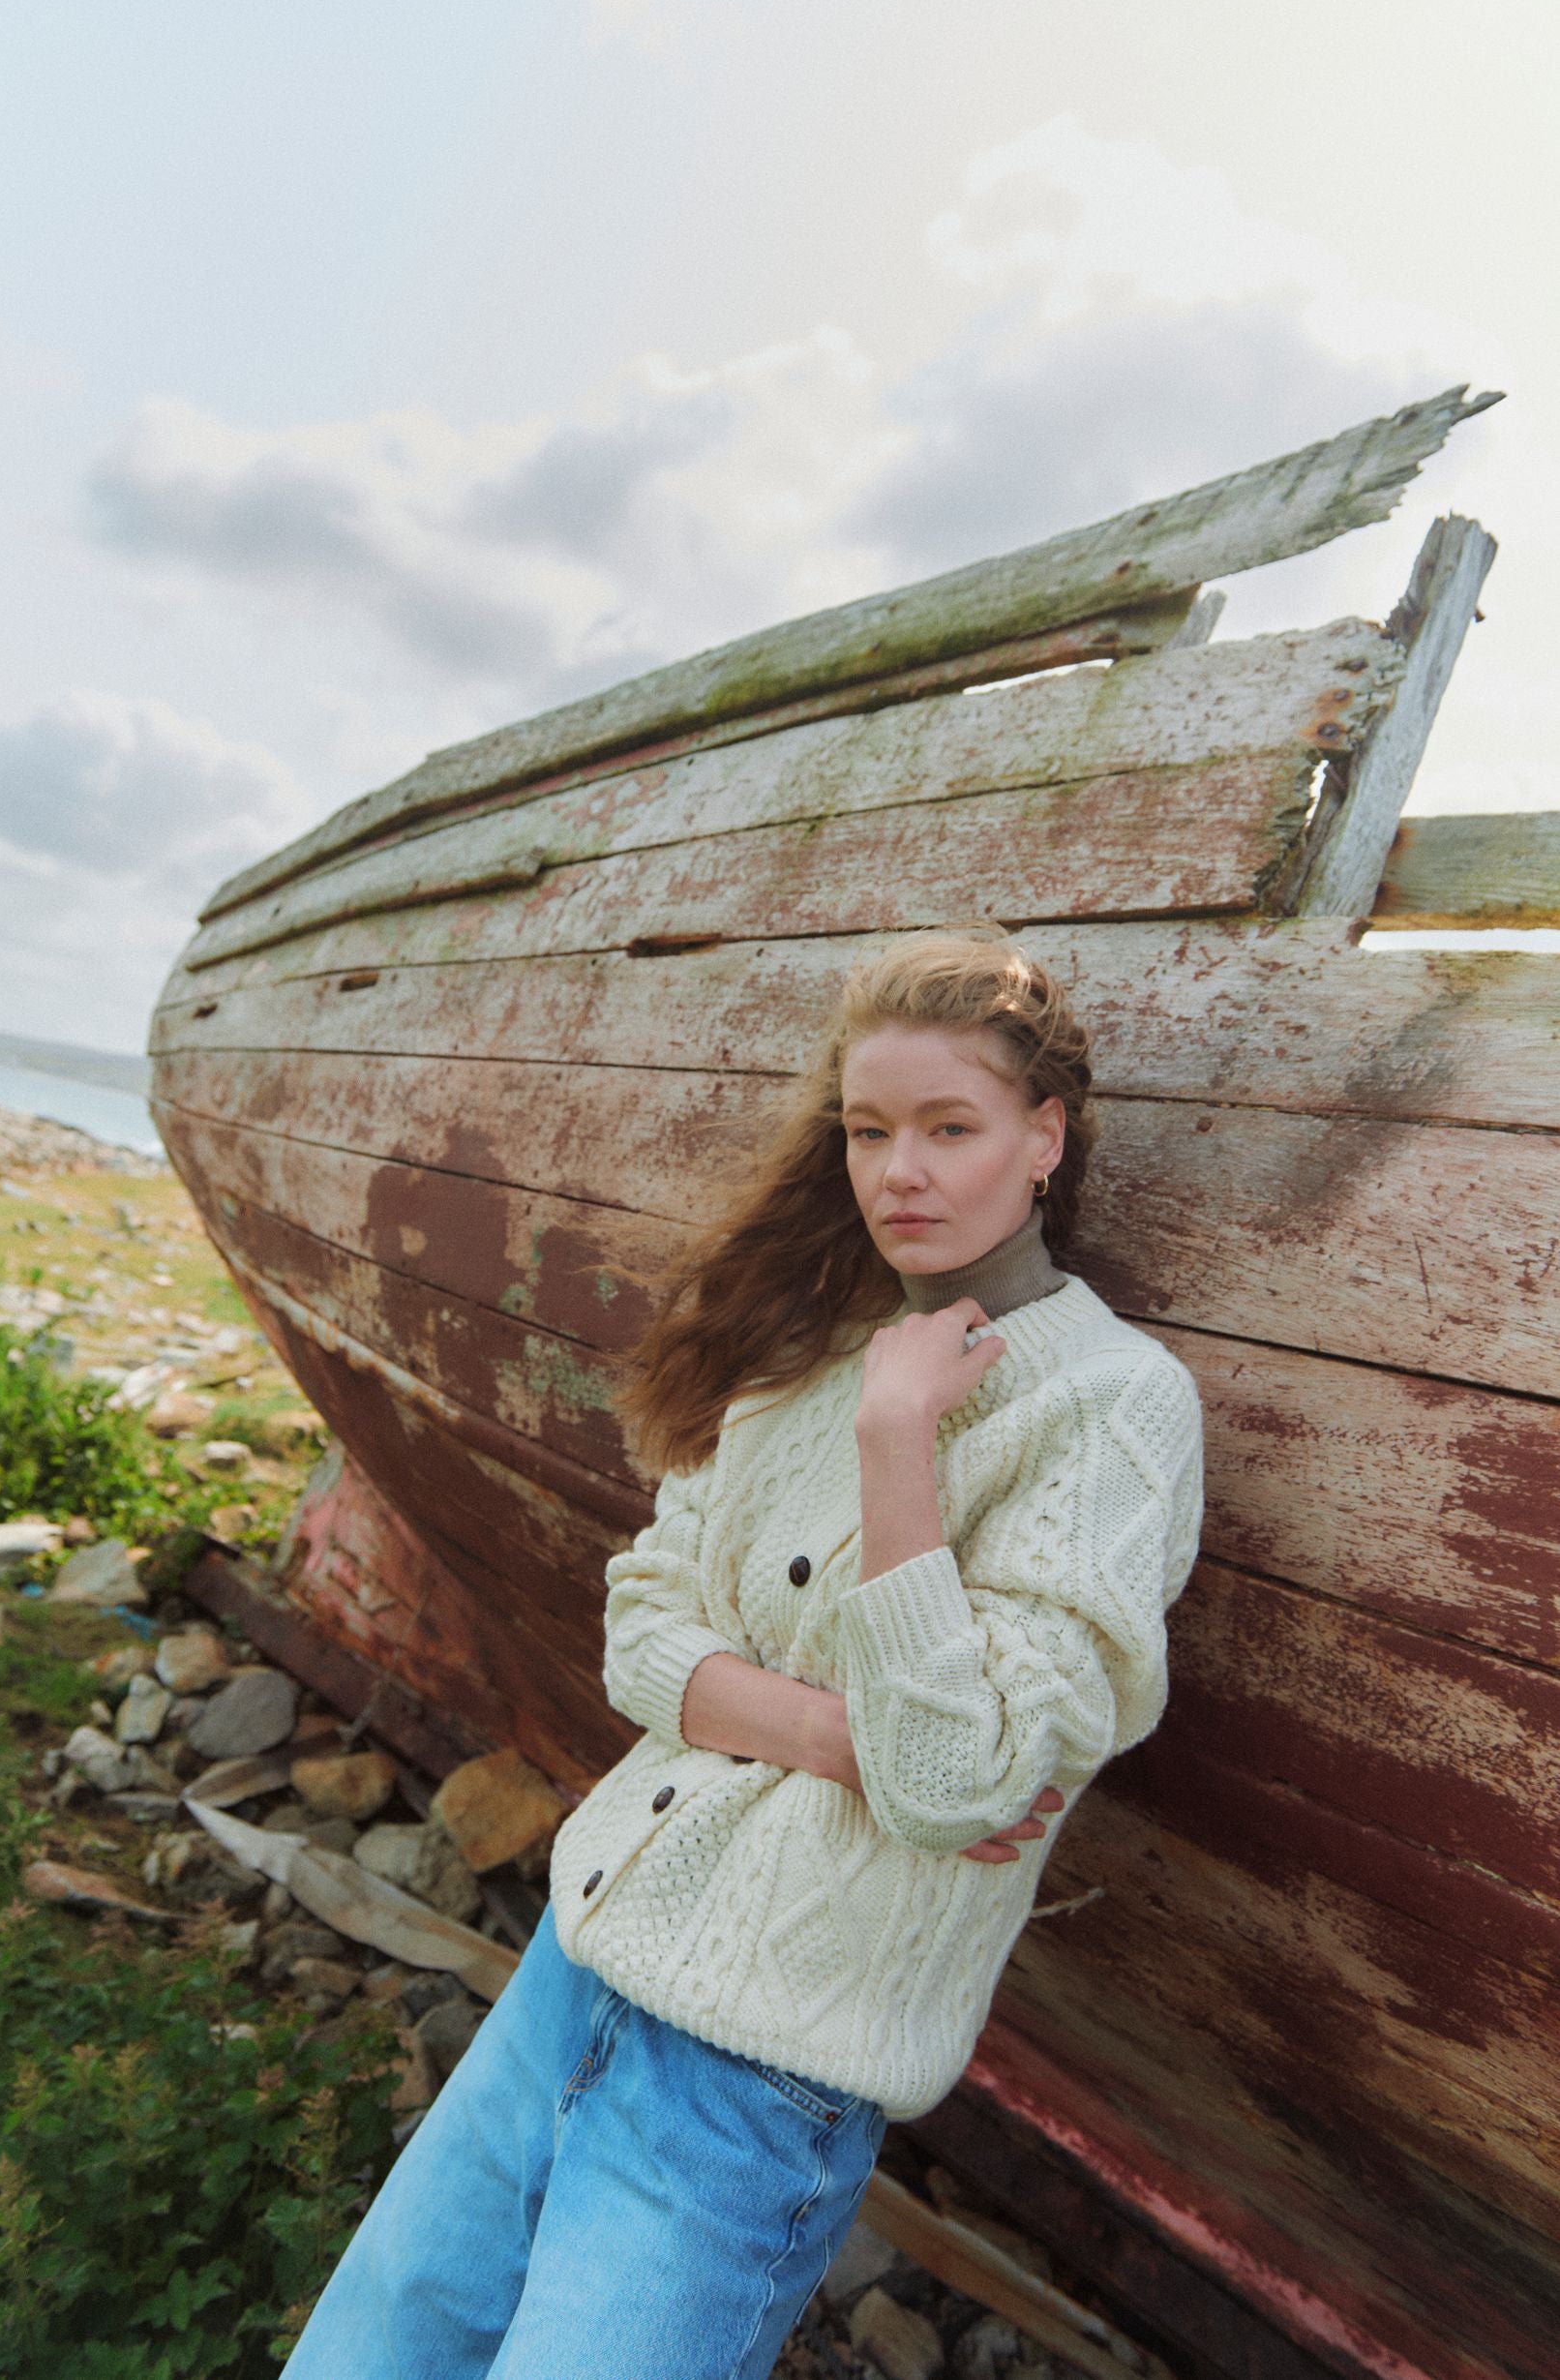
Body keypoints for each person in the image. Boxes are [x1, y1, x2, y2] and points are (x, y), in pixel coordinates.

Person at [284, 925, 1204, 2380]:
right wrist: (843, 1742)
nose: (898, 1170)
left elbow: (959, 1779)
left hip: (762, 2078)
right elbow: (641, 1630)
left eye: (947, 1129)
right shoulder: (812, 1345)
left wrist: (900, 1440)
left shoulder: (1112, 1411)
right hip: (577, 1969)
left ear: (1042, 1141)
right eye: (867, 1130)